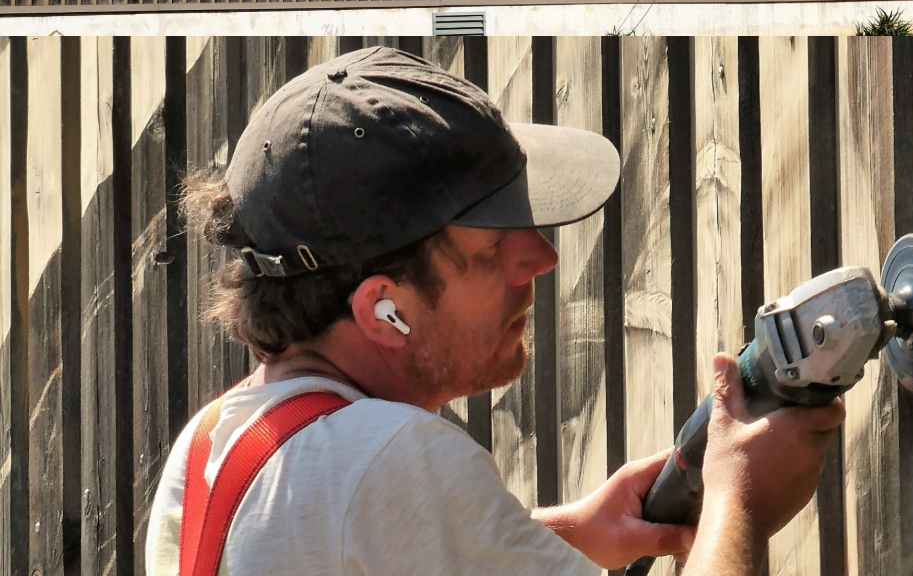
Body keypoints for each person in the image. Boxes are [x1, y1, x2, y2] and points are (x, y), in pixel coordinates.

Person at [146, 46, 842, 575]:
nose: (541, 258)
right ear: (383, 309)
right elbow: (377, 499)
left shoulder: (217, 445)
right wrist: (739, 500)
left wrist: (553, 537)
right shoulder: (394, 460)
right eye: (491, 247)